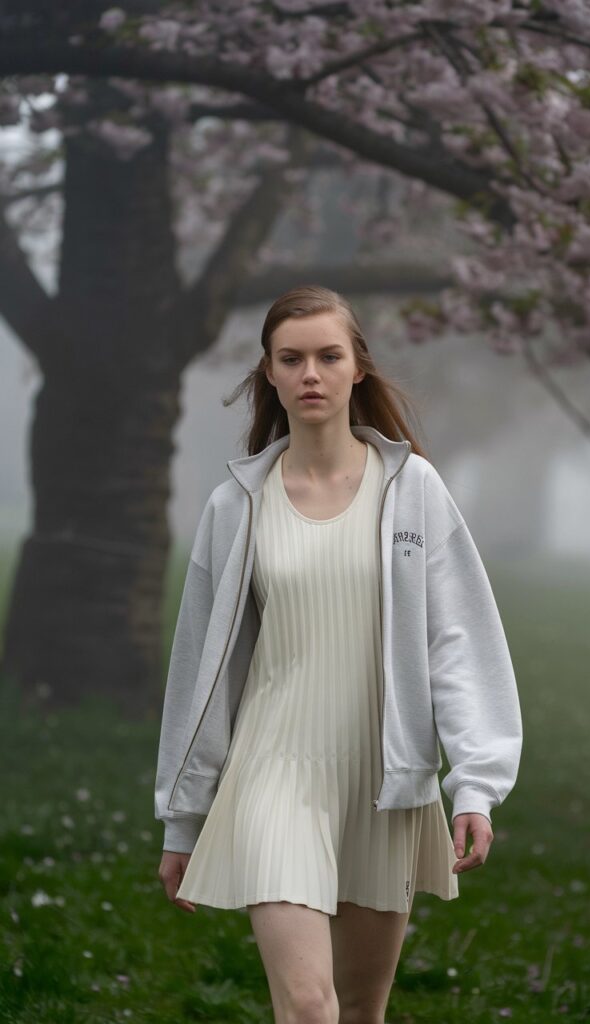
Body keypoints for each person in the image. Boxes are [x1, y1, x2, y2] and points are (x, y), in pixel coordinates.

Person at [156, 284, 523, 1024]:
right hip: (272, 774)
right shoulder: (237, 505)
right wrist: (182, 818)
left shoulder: (413, 488)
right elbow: (203, 672)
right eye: (291, 359)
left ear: (359, 367)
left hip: (384, 781)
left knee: (360, 1009)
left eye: (329, 356)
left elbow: (459, 639)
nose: (311, 374)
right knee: (308, 1004)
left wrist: (477, 782)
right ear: (268, 373)